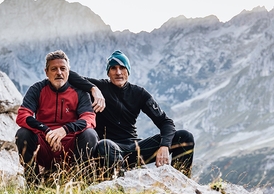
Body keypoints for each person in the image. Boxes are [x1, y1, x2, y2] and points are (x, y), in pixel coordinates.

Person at [68, 50, 195, 178]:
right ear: (108, 72)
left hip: (135, 148)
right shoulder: (100, 87)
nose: (118, 72)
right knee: (104, 145)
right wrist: (93, 89)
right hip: (110, 150)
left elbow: (165, 122)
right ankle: (121, 183)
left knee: (185, 137)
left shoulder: (139, 93)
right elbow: (67, 74)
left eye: (122, 68)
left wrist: (164, 145)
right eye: (113, 68)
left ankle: (179, 182)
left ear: (128, 71)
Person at [15, 50, 98, 181]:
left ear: (68, 71)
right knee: (23, 134)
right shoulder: (37, 89)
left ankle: (77, 181)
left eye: (62, 68)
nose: (59, 73)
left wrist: (65, 130)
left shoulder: (79, 92)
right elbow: (22, 116)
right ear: (46, 72)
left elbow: (89, 119)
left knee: (90, 134)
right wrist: (46, 131)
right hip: (44, 146)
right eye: (54, 69)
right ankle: (33, 183)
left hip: (70, 148)